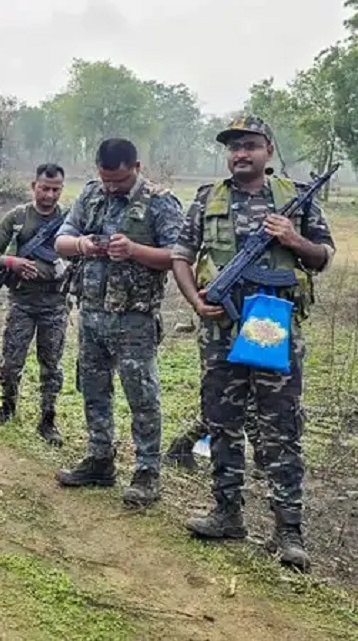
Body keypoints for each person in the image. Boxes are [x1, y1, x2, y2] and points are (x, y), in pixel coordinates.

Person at [172, 115, 335, 572]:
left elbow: (323, 257)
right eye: (233, 147)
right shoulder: (209, 198)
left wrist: (292, 237)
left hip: (271, 327)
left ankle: (288, 531)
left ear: (267, 148)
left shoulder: (293, 198)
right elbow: (181, 256)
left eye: (248, 145)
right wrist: (195, 299)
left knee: (279, 427)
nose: (240, 154)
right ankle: (227, 513)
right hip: (221, 328)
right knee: (222, 423)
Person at [54, 138, 184, 508]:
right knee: (94, 389)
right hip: (92, 312)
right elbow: (61, 239)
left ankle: (147, 472)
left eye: (120, 180)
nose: (112, 187)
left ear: (136, 168)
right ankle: (99, 457)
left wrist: (135, 251)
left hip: (134, 316)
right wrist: (84, 246)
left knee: (142, 395)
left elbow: (179, 255)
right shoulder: (91, 194)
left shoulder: (160, 201)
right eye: (106, 179)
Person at [0, 163, 71, 446]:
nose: (50, 195)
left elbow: (78, 255)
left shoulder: (69, 221)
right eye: (45, 188)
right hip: (22, 303)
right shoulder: (18, 217)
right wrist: (12, 262)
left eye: (56, 189)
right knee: (11, 363)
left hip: (55, 305)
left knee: (51, 366)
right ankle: (7, 408)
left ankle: (48, 419)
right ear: (34, 186)